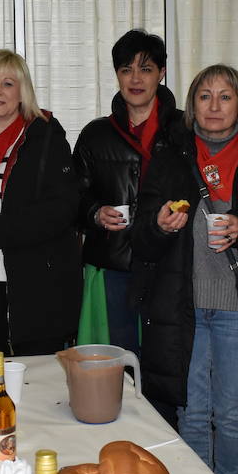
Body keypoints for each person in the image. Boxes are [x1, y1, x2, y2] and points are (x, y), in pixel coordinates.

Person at [132, 65, 238, 474]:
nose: (215, 105)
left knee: (233, 411)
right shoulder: (171, 156)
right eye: (205, 96)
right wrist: (159, 225)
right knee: (193, 411)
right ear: (191, 106)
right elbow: (143, 229)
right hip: (185, 303)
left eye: (225, 96)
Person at [0, 50, 80, 357]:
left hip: (34, 285)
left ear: (22, 92)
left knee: (34, 383)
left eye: (8, 83)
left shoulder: (46, 139)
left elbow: (63, 209)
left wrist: (3, 228)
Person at [73, 29, 181, 356]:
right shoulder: (96, 134)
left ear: (161, 74)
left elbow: (233, 127)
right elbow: (71, 198)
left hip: (171, 263)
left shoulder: (185, 129)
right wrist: (94, 213)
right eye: (126, 69)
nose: (135, 79)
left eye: (145, 69)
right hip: (113, 263)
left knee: (165, 358)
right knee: (115, 361)